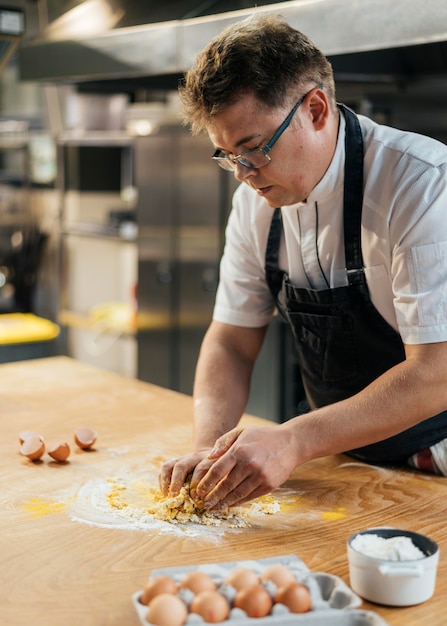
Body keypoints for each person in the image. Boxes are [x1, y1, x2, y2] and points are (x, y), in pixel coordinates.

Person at [160, 13, 447, 509]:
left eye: (252, 149)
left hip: (435, 467)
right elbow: (231, 340)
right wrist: (208, 450)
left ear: (315, 109)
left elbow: (436, 372)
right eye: (226, 156)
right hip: (343, 463)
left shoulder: (421, 185)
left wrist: (293, 440)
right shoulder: (256, 202)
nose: (242, 174)